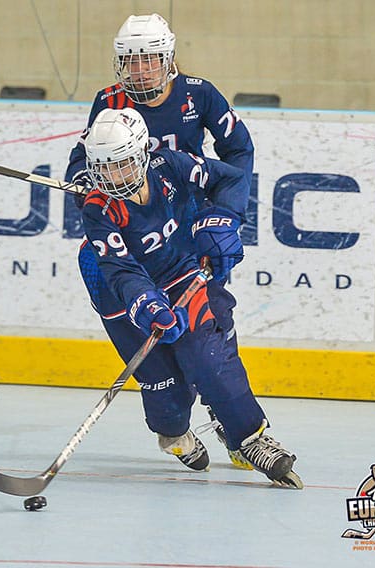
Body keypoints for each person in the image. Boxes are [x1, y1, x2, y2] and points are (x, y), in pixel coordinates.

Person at [65, 13, 255, 468]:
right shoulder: (108, 101)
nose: (141, 70)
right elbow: (84, 159)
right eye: (131, 61)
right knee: (157, 349)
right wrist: (81, 184)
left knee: (213, 323)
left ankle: (233, 422)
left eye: (150, 59)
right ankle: (173, 425)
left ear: (168, 59)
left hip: (186, 229)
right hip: (134, 234)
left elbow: (237, 151)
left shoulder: (198, 93)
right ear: (119, 64)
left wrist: (223, 214)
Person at [79, 107, 301, 488]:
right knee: (166, 392)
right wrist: (147, 303)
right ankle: (173, 434)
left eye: (122, 165)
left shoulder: (172, 165)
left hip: (183, 272)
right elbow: (121, 270)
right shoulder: (98, 208)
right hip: (121, 291)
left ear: (141, 155)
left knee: (206, 355)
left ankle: (249, 437)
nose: (113, 177)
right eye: (104, 167)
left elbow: (230, 179)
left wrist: (222, 220)